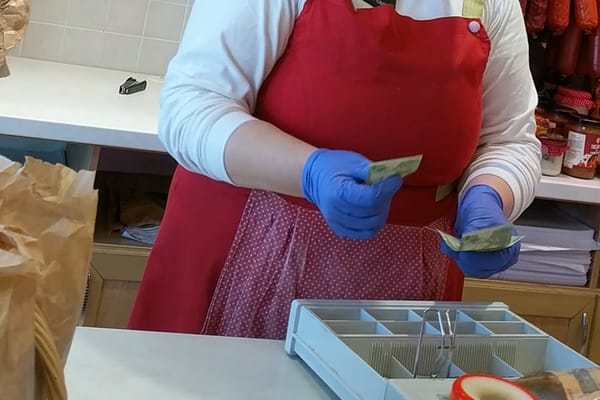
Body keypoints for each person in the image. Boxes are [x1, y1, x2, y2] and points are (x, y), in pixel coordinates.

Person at [128, 0, 541, 339]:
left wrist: (490, 195)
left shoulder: (491, 5)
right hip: (248, 256)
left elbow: (509, 140)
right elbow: (191, 107)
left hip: (406, 290)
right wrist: (309, 171)